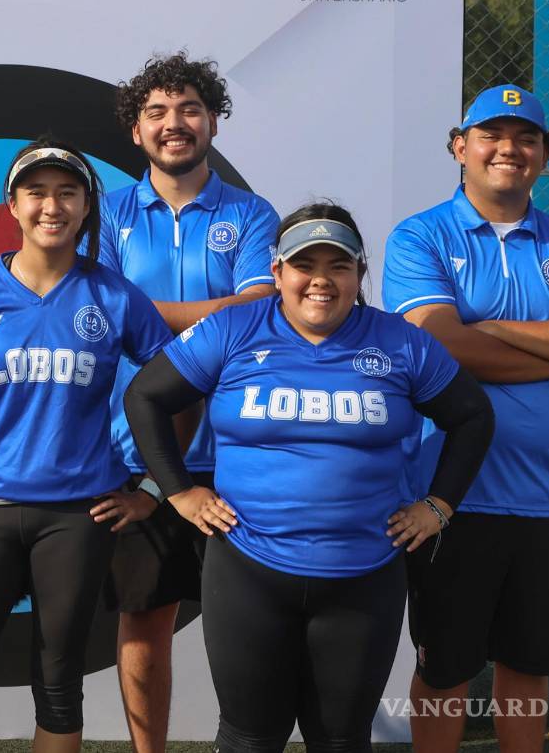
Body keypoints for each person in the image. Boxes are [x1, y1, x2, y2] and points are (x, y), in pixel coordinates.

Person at [124, 203, 494, 753]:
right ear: (277, 272)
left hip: (363, 575)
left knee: (341, 739)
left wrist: (438, 505)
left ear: (360, 272)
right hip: (248, 569)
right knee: (250, 736)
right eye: (304, 264)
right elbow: (146, 396)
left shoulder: (400, 341)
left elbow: (472, 416)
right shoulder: (234, 328)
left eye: (338, 265)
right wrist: (179, 491)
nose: (320, 280)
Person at [382, 85, 549, 753]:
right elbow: (441, 347)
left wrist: (486, 326)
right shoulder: (419, 235)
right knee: (446, 667)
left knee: (529, 666)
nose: (507, 149)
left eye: (525, 137)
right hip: (450, 497)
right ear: (460, 146)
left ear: (546, 155)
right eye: (491, 134)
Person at [0, 139, 172, 753]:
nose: (51, 206)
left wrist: (154, 489)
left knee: (58, 684)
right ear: (13, 204)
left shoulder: (114, 296)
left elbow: (176, 389)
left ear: (86, 207)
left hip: (77, 517)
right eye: (36, 192)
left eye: (66, 193)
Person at [96, 52, 279, 751]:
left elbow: (262, 308)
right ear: (136, 131)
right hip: (135, 451)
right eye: (158, 113)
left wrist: (153, 314)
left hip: (236, 453)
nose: (175, 124)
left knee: (253, 619)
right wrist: (214, 316)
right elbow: (107, 310)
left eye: (190, 110)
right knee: (145, 617)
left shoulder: (252, 213)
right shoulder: (108, 211)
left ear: (213, 122)